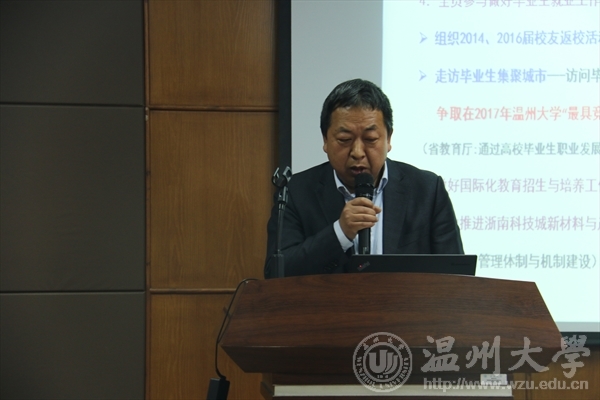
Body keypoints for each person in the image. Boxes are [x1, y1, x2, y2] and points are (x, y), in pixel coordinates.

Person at [265, 79, 464, 278]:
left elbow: (457, 275)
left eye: (370, 139)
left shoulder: (427, 191)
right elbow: (276, 273)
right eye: (344, 140)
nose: (357, 152)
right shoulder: (295, 193)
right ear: (325, 140)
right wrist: (340, 233)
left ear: (388, 139)